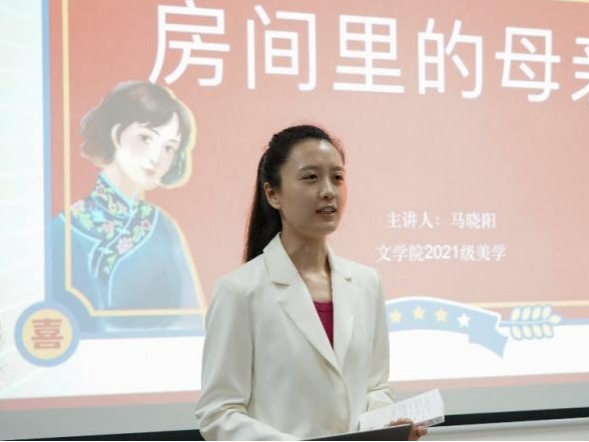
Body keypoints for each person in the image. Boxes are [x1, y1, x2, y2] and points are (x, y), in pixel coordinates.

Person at [194, 125, 427, 440]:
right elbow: (218, 413)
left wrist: (387, 429)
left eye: (337, 177)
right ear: (272, 194)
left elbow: (375, 388)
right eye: (311, 177)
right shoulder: (239, 291)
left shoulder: (366, 282)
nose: (328, 191)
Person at [51, 81, 205, 333]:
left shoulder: (163, 227)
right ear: (116, 135)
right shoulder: (63, 229)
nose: (156, 157)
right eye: (145, 138)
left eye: (168, 148)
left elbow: (194, 320)